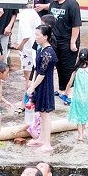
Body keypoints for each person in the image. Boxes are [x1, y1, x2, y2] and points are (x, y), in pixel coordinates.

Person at [46, 0, 82, 92]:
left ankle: (70, 92)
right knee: (59, 66)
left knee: (68, 68)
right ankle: (62, 90)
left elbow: (76, 25)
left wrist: (72, 42)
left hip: (68, 41)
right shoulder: (53, 4)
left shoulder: (72, 4)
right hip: (56, 41)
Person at [26, 23, 56, 151]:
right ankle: (42, 139)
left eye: (38, 35)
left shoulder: (48, 52)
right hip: (40, 83)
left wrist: (32, 87)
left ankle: (47, 144)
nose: (36, 37)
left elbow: (42, 74)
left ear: (45, 37)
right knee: (42, 113)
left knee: (45, 115)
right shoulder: (42, 49)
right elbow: (37, 70)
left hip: (45, 85)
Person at [65, 48, 88, 143]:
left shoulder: (76, 70)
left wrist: (65, 93)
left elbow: (69, 83)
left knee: (78, 117)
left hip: (77, 98)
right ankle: (83, 131)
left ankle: (80, 134)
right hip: (87, 99)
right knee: (84, 115)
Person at [16, 2, 43, 98]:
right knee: (32, 76)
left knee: (28, 78)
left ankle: (28, 102)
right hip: (35, 47)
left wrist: (20, 45)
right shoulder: (33, 12)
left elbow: (26, 35)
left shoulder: (24, 14)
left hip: (28, 50)